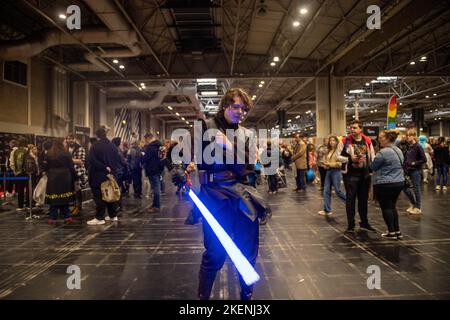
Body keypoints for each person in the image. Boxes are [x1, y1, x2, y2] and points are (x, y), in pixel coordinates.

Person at [175, 87, 270, 300]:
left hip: (241, 195)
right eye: (236, 106)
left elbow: (248, 166)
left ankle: (247, 298)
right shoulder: (204, 127)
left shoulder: (247, 134)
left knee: (248, 250)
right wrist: (182, 168)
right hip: (214, 197)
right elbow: (180, 152)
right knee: (215, 253)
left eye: (244, 109)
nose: (241, 112)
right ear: (225, 105)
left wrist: (228, 145)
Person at [340, 120, 376, 233]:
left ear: (360, 129)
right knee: (350, 200)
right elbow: (337, 157)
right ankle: (351, 225)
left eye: (355, 128)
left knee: (363, 200)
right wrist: (351, 159)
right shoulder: (344, 141)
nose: (352, 130)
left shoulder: (367, 141)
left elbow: (372, 156)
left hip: (364, 175)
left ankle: (364, 223)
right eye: (351, 128)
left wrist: (372, 169)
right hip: (350, 175)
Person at [371, 130, 405, 240]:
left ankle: (391, 232)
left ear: (386, 139)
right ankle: (397, 231)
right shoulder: (398, 150)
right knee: (392, 207)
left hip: (385, 183)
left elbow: (373, 166)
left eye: (381, 138)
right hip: (399, 182)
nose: (379, 140)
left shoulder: (383, 152)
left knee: (386, 207)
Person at [86, 128, 121, 225]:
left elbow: (92, 160)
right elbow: (117, 161)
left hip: (98, 175)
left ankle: (99, 217)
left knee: (99, 196)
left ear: (97, 135)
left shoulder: (95, 146)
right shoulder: (113, 146)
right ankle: (113, 215)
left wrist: (104, 167)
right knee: (110, 194)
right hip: (111, 175)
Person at [41, 139, 77, 225]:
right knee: (64, 198)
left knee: (54, 198)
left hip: (53, 177)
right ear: (61, 144)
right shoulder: (66, 153)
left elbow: (45, 167)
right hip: (65, 177)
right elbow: (71, 167)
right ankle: (67, 216)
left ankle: (52, 217)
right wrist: (75, 178)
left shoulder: (49, 153)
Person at [318, 136, 346, 216]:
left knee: (338, 191)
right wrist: (326, 165)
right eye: (330, 140)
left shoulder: (339, 151)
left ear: (337, 142)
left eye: (333, 140)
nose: (331, 142)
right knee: (326, 191)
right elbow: (329, 162)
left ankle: (349, 202)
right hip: (329, 171)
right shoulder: (330, 151)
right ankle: (327, 210)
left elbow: (340, 164)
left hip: (336, 172)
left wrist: (329, 164)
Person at [402, 129, 426, 214]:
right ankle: (413, 204)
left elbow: (424, 159)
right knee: (405, 187)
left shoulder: (418, 146)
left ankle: (418, 207)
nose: (407, 137)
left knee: (416, 189)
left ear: (414, 136)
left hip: (416, 171)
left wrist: (414, 163)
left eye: (409, 135)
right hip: (407, 170)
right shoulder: (409, 147)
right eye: (407, 135)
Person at [142, 133, 164, 213]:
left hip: (151, 169)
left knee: (156, 188)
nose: (145, 141)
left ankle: (156, 206)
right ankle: (155, 204)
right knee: (156, 187)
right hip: (159, 168)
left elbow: (146, 158)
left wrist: (142, 157)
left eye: (145, 140)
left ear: (148, 138)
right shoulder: (160, 146)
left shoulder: (150, 147)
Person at [65, 134, 87, 215]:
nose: (70, 140)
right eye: (68, 138)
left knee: (78, 191)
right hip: (69, 172)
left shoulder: (80, 148)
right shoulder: (66, 148)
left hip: (78, 172)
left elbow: (81, 161)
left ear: (75, 139)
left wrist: (67, 159)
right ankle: (75, 206)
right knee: (73, 191)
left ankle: (78, 207)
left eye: (72, 138)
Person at [10, 137, 30, 211]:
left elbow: (11, 163)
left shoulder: (14, 151)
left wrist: (15, 172)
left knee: (20, 189)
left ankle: (20, 206)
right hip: (28, 173)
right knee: (28, 189)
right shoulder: (28, 150)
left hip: (19, 173)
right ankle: (28, 205)